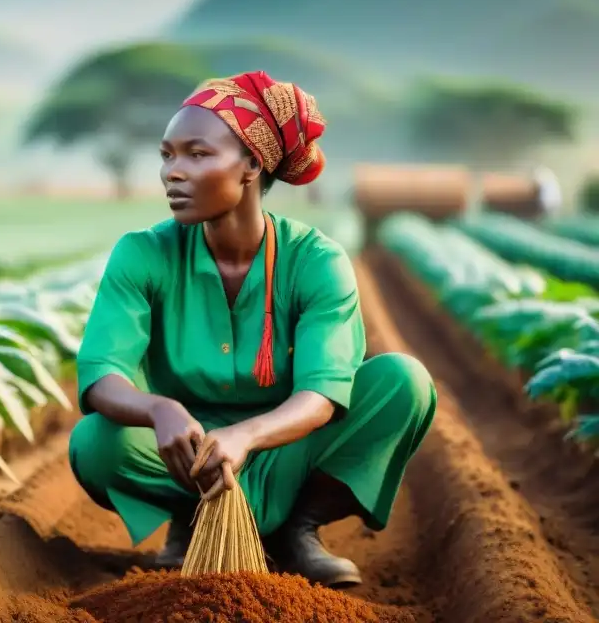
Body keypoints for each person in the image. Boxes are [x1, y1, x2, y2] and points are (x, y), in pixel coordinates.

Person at [67, 70, 437, 588]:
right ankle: (191, 521)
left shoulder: (315, 261)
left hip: (289, 446)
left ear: (251, 166)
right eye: (167, 155)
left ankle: (297, 530)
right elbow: (102, 370)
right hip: (188, 452)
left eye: (197, 154)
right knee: (96, 443)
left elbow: (321, 395)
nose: (173, 172)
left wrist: (247, 435)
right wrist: (160, 409)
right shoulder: (143, 253)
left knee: (405, 383)